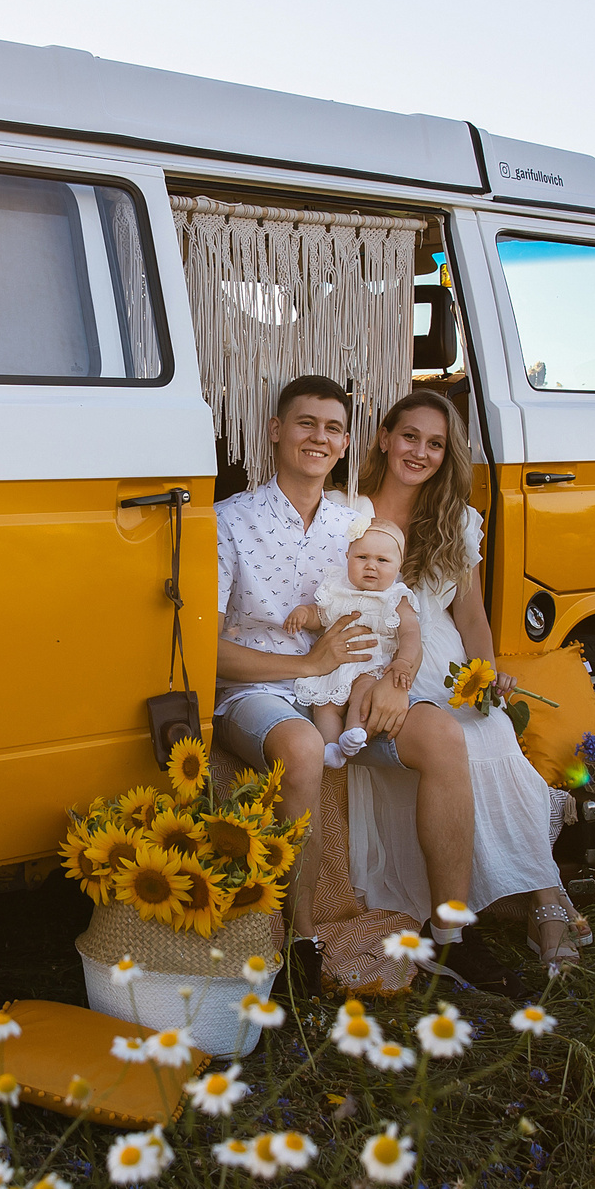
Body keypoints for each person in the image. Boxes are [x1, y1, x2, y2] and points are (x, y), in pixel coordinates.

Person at [213, 375, 474, 945]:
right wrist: (305, 667)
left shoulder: (353, 528)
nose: (319, 438)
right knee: (304, 747)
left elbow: (394, 614)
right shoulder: (229, 520)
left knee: (444, 737)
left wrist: (393, 680)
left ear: (347, 443)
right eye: (306, 423)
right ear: (276, 431)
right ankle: (302, 937)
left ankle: (454, 934)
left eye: (333, 428)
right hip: (258, 692)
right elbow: (204, 650)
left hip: (346, 688)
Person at [349, 388, 586, 971]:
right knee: (461, 743)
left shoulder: (456, 520)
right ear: (385, 437)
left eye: (436, 444)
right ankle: (535, 899)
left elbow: (472, 614)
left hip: (451, 667)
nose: (420, 452)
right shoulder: (346, 512)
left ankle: (541, 895)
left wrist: (487, 675)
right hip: (379, 666)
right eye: (410, 437)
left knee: (493, 733)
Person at [285, 517, 418, 769]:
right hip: (333, 665)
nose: (371, 566)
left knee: (363, 694)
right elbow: (322, 615)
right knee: (324, 706)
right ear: (348, 556)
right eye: (362, 558)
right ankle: (331, 747)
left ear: (398, 564)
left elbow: (411, 634)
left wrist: (404, 661)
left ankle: (355, 733)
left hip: (370, 664)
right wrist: (305, 613)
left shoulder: (396, 597)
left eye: (382, 560)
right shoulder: (336, 588)